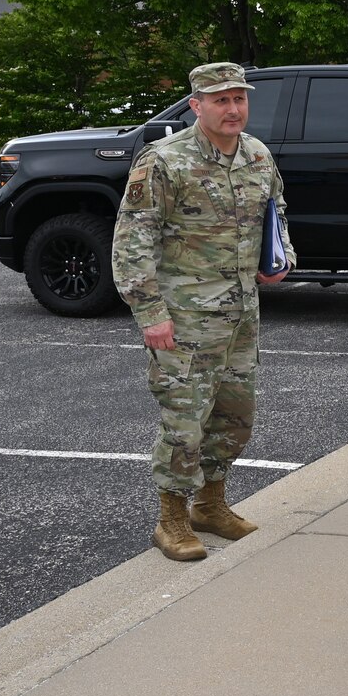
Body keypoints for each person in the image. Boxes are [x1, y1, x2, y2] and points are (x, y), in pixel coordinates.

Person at [112, 62, 292, 562]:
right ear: (196, 106)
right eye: (221, 100)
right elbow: (132, 241)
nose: (233, 109)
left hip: (240, 314)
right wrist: (150, 313)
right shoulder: (165, 161)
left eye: (239, 99)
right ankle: (170, 518)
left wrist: (282, 259)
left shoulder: (257, 154)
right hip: (185, 316)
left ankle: (210, 505)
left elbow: (275, 215)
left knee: (235, 417)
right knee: (184, 420)